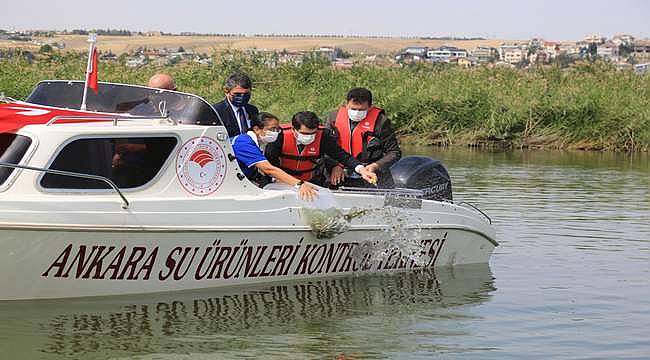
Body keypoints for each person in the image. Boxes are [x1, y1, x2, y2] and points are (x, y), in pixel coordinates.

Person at [265, 111, 377, 187]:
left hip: (311, 182)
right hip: (281, 182)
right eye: (304, 133)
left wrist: (362, 170)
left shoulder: (323, 136)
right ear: (294, 129)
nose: (309, 137)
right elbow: (270, 161)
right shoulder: (279, 135)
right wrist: (279, 179)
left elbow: (342, 156)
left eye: (313, 133)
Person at [231, 112, 319, 201]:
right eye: (272, 129)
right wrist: (300, 184)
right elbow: (268, 169)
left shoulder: (257, 143)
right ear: (257, 129)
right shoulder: (243, 143)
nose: (276, 133)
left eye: (277, 129)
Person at [325, 87, 401, 188]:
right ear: (346, 104)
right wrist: (335, 165)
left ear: (370, 107)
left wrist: (376, 165)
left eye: (361, 110)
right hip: (340, 173)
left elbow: (394, 152)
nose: (356, 112)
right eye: (353, 109)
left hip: (372, 173)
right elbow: (324, 147)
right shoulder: (333, 118)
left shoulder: (381, 122)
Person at [212, 72, 260, 137]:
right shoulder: (216, 111)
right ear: (227, 92)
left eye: (246, 94)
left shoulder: (253, 110)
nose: (242, 97)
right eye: (237, 94)